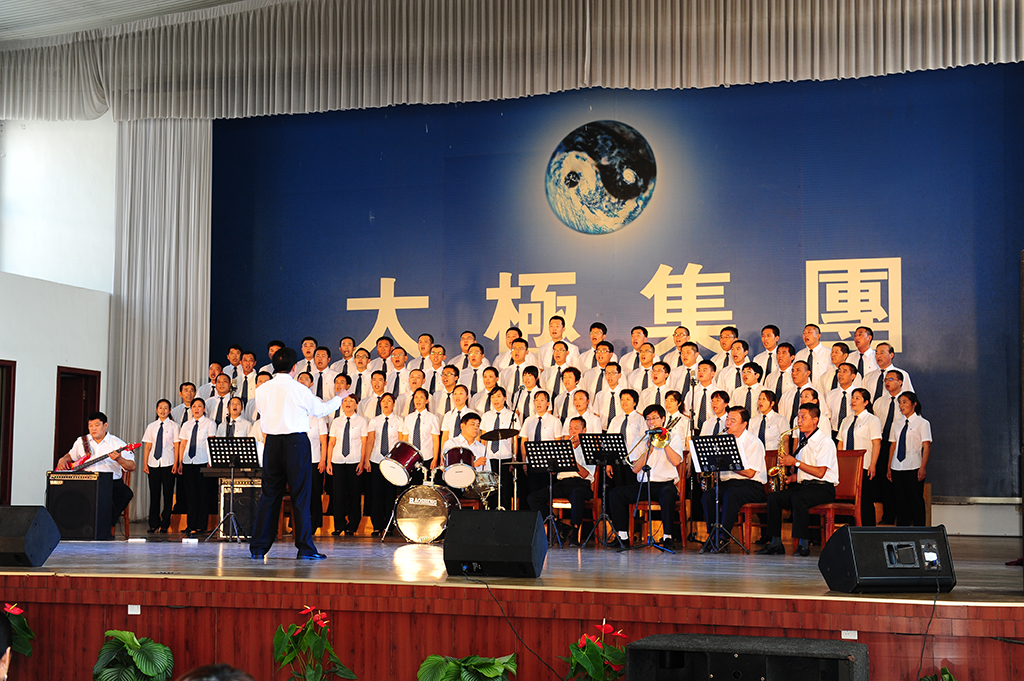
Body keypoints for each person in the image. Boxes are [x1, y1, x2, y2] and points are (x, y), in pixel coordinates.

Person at [249, 347, 342, 560]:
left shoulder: (262, 389)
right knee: (300, 495)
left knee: (269, 495)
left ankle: (258, 547)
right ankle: (305, 548)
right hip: (295, 443)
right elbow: (320, 410)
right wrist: (339, 398)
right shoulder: (300, 389)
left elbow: (262, 412)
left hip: (272, 443)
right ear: (294, 367)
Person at [757, 403, 838, 556]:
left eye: (803, 417)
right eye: (798, 417)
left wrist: (795, 462)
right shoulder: (804, 442)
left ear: (815, 420)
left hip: (823, 488)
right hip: (805, 486)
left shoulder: (825, 442)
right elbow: (807, 473)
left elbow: (820, 472)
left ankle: (803, 544)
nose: (799, 421)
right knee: (774, 498)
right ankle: (775, 542)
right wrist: (791, 478)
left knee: (798, 498)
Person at [610, 405, 683, 548]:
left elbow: (676, 461)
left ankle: (668, 537)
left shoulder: (674, 438)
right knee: (616, 494)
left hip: (665, 484)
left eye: (655, 418)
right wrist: (649, 450)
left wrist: (664, 443)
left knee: (668, 495)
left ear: (663, 419)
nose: (651, 422)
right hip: (643, 485)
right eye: (648, 419)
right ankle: (623, 536)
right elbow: (635, 469)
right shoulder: (640, 440)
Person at [56, 411, 136, 538]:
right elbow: (70, 456)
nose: (93, 428)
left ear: (105, 425)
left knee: (126, 493)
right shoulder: (82, 441)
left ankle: (106, 526)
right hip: (87, 481)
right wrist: (63, 459)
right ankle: (73, 530)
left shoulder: (117, 443)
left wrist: (119, 459)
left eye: (97, 425)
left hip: (111, 483)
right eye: (90, 426)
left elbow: (132, 466)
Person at [702, 406, 767, 551]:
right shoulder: (723, 440)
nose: (728, 423)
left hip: (751, 486)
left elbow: (750, 473)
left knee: (731, 495)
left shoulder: (753, 442)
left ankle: (723, 537)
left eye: (733, 420)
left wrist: (728, 465)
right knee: (708, 495)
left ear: (744, 424)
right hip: (729, 484)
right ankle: (712, 535)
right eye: (727, 420)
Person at [527, 415, 595, 544]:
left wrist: (571, 460)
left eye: (576, 428)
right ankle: (558, 525)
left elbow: (586, 474)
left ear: (584, 430)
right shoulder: (564, 447)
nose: (572, 431)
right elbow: (555, 472)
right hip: (562, 483)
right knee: (533, 497)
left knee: (577, 495)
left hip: (580, 484)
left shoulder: (589, 448)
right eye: (570, 428)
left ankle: (575, 532)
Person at [838, 387, 882, 526]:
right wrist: (839, 463)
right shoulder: (846, 420)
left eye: (857, 398)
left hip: (864, 465)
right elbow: (841, 442)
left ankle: (868, 530)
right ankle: (852, 529)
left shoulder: (872, 420)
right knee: (849, 500)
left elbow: (876, 443)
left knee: (864, 499)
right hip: (847, 467)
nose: (853, 400)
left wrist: (873, 464)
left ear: (866, 402)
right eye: (853, 397)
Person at [887, 392, 932, 526]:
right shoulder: (896, 423)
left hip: (914, 466)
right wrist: (889, 467)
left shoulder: (922, 423)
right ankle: (902, 530)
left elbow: (926, 446)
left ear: (914, 404)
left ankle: (919, 530)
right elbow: (893, 446)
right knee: (900, 500)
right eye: (900, 402)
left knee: (916, 500)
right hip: (897, 466)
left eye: (905, 402)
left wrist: (923, 467)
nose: (901, 405)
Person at [174, 398, 217, 536]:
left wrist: (211, 460)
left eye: (199, 406)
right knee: (190, 495)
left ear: (204, 409)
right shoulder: (186, 425)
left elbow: (211, 443)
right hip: (188, 462)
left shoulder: (210, 423)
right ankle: (190, 525)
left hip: (203, 461)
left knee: (203, 494)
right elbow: (183, 444)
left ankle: (201, 525)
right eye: (194, 406)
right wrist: (180, 462)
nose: (196, 409)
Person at [326, 395, 368, 536]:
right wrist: (328, 462)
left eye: (351, 401)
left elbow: (364, 443)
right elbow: (331, 443)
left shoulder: (362, 421)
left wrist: (362, 461)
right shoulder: (336, 422)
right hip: (337, 461)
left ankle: (352, 525)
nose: (348, 403)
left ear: (356, 405)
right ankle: (339, 525)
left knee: (354, 494)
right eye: (345, 401)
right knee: (337, 494)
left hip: (354, 461)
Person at [363, 392, 402, 534]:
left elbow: (400, 442)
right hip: (376, 460)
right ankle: (377, 525)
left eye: (389, 401)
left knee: (390, 494)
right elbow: (370, 441)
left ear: (394, 404)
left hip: (392, 462)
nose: (386, 403)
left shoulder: (399, 421)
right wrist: (367, 460)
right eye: (383, 401)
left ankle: (388, 526)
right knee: (376, 494)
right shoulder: (374, 421)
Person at [141, 399, 180, 534]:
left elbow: (176, 446)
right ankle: (153, 523)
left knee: (168, 495)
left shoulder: (174, 426)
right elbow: (148, 446)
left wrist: (176, 464)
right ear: (156, 410)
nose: (163, 410)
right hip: (153, 463)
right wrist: (145, 463)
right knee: (154, 494)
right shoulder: (151, 426)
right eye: (160, 408)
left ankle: (165, 524)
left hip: (168, 463)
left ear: (170, 411)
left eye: (165, 408)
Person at [481, 387, 518, 509]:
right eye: (492, 397)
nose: (495, 400)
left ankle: (505, 513)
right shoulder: (486, 416)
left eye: (498, 396)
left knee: (505, 488)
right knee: (491, 489)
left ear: (505, 398)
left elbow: (514, 439)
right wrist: (482, 456)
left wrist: (514, 458)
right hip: (490, 457)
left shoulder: (511, 415)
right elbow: (483, 438)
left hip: (505, 457)